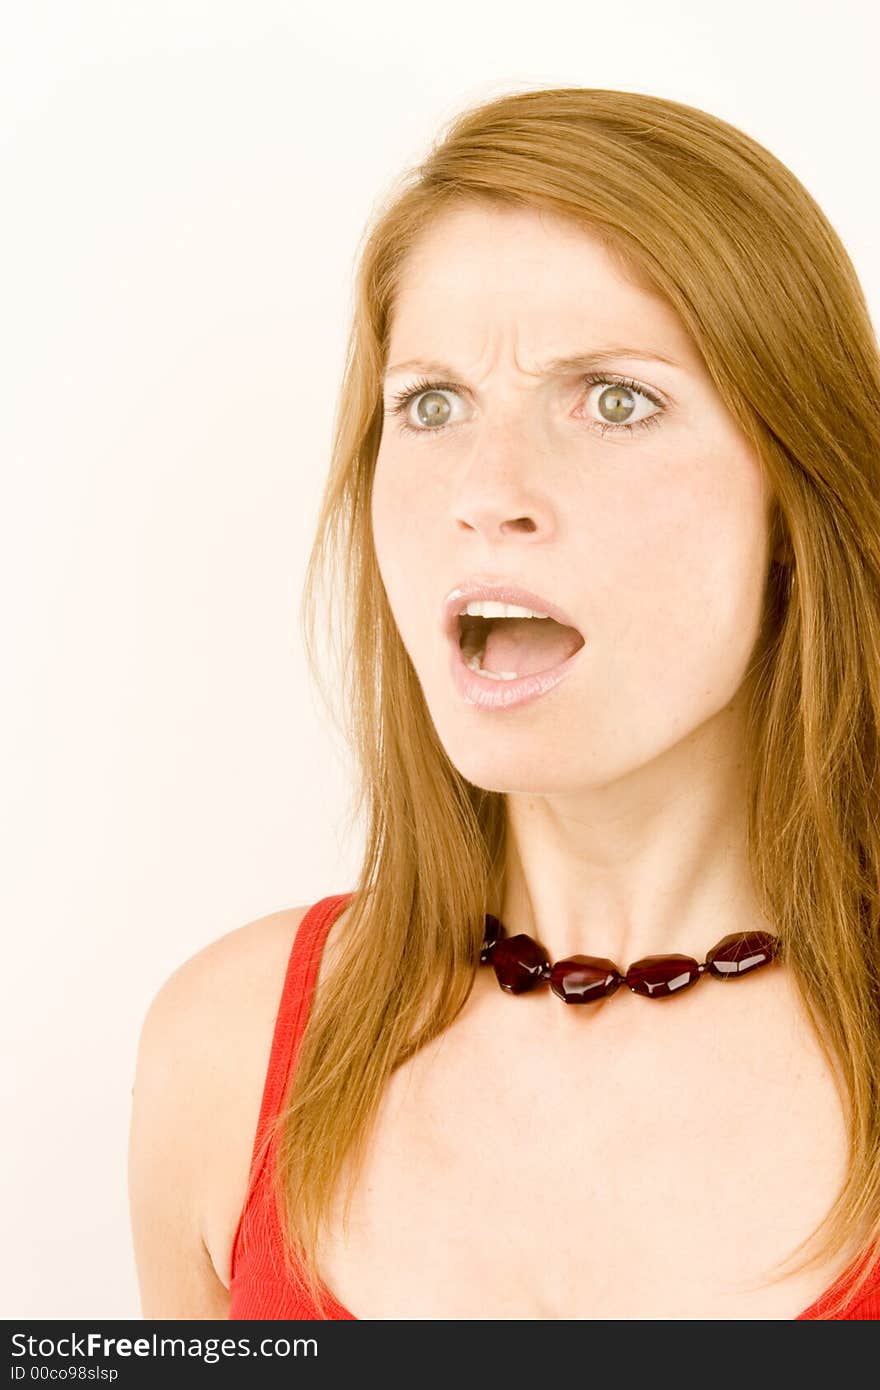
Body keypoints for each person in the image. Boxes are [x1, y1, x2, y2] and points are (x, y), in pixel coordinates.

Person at [127, 86, 880, 1320]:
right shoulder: (225, 1049)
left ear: (793, 499)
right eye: (429, 403)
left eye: (614, 399)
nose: (488, 489)